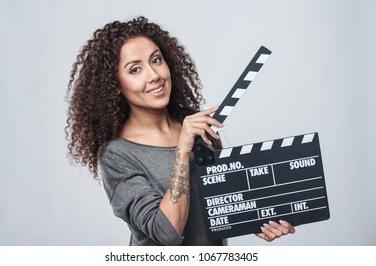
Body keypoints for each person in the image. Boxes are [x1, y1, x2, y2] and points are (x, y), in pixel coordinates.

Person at [65, 16, 295, 246]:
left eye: (156, 60)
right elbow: (167, 233)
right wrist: (183, 151)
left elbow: (219, 206)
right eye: (135, 69)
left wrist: (258, 219)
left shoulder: (197, 129)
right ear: (114, 86)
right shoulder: (116, 155)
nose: (154, 75)